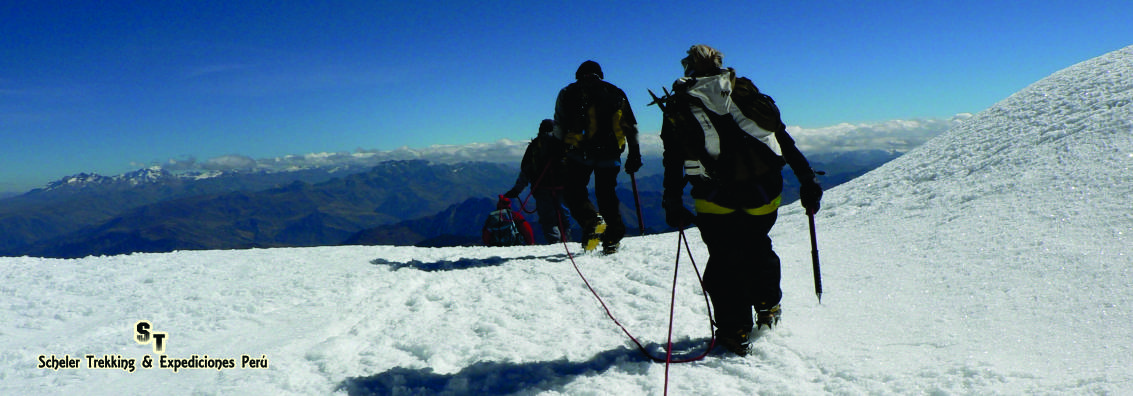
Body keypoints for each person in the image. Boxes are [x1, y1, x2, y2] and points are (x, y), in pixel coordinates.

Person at [657, 45, 822, 356]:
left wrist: (672, 199)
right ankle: (768, 306)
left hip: (713, 196)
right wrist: (807, 179)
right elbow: (781, 138)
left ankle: (735, 330)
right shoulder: (746, 93)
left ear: (687, 67)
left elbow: (673, 157)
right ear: (722, 64)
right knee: (758, 247)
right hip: (763, 193)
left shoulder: (679, 105)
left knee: (724, 259)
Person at [551, 60, 642, 254]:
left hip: (579, 152)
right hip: (610, 153)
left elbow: (559, 124)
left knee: (574, 192)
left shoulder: (568, 93)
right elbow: (630, 125)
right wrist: (635, 153)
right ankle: (612, 240)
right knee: (607, 195)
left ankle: (591, 221)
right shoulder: (615, 92)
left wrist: (559, 150)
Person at [505, 119, 573, 244]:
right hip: (563, 188)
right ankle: (567, 243)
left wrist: (516, 190)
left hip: (542, 188)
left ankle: (555, 245)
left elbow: (526, 171)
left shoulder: (535, 146)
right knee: (564, 218)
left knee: (548, 219)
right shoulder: (563, 144)